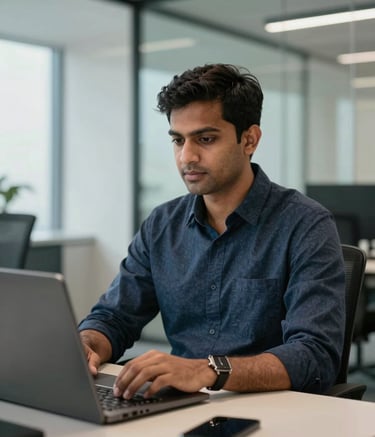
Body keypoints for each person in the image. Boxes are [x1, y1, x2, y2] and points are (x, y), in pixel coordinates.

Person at [79, 63, 345, 400]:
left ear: (249, 139)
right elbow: (114, 317)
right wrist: (88, 344)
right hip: (178, 402)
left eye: (205, 139)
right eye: (178, 140)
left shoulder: (305, 224)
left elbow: (315, 356)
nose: (186, 157)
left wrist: (207, 369)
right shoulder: (162, 225)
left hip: (271, 409)